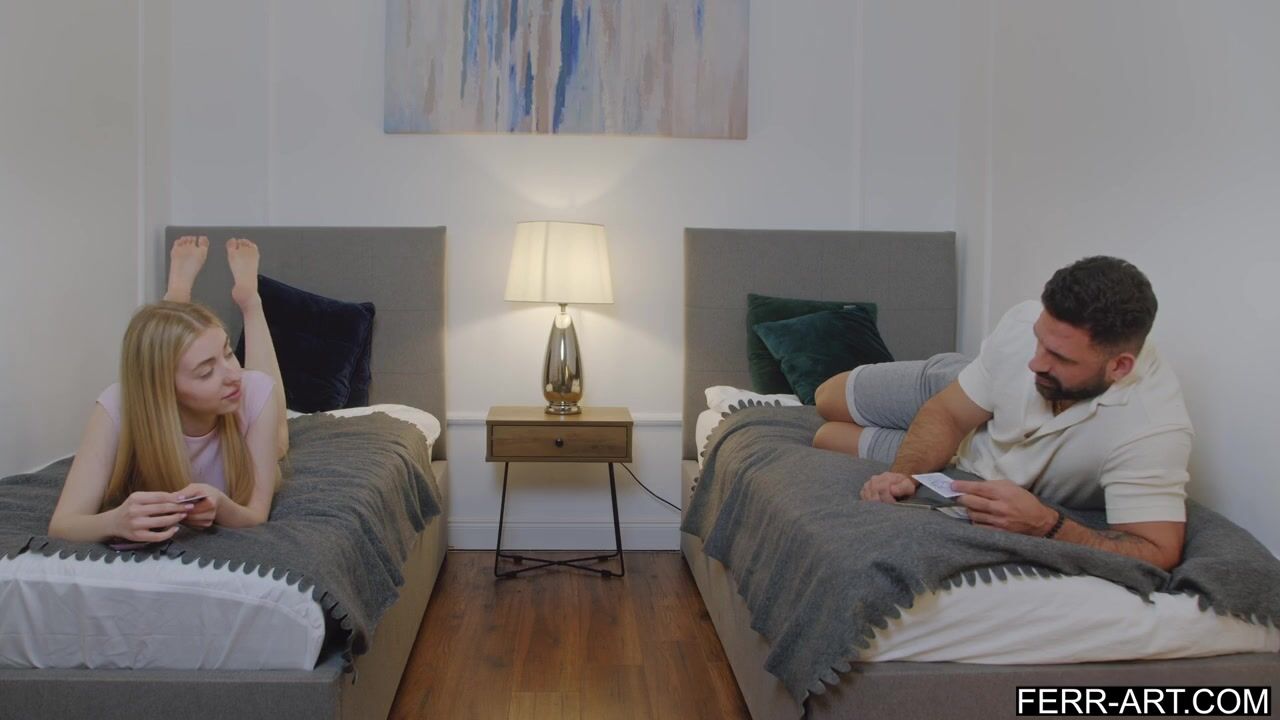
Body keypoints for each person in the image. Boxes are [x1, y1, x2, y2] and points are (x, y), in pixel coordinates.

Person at [812, 256, 1191, 571]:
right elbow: (949, 413)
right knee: (826, 398)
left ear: (1119, 367)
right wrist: (902, 474)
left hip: (970, 460)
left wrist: (1047, 525)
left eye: (1059, 357)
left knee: (826, 437)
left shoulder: (1152, 428)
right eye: (1039, 340)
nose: (1035, 362)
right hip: (965, 388)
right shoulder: (1023, 329)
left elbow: (1157, 550)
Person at [48, 237, 289, 544]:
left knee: (279, 436)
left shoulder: (250, 390)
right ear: (163, 390)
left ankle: (250, 303)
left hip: (252, 412)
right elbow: (63, 525)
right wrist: (115, 521)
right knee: (175, 347)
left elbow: (255, 514)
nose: (234, 376)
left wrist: (221, 506)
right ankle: (175, 301)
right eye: (206, 371)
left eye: (229, 353)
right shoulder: (117, 405)